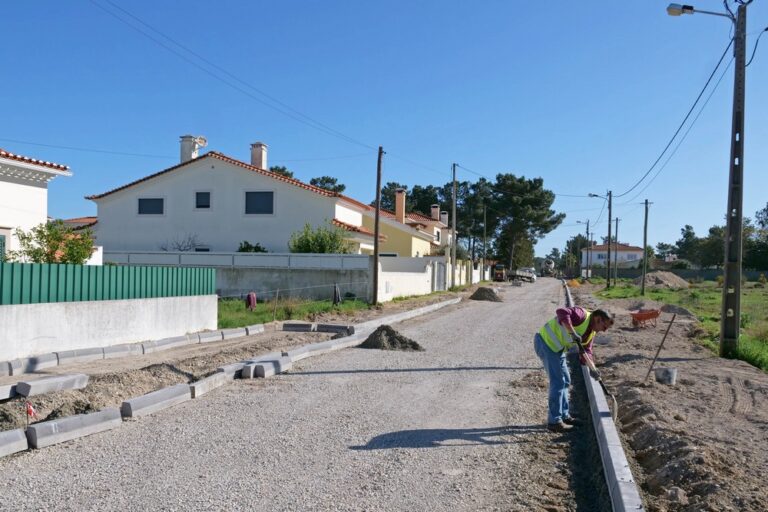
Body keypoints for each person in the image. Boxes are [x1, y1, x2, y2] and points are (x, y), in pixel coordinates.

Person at [534, 306, 614, 433]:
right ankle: (554, 422)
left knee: (566, 380)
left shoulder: (591, 333)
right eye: (604, 327)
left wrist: (592, 368)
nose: (604, 331)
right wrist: (572, 332)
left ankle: (564, 416)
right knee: (558, 382)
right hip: (545, 343)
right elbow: (561, 312)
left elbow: (586, 352)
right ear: (598, 319)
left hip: (557, 349)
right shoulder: (581, 315)